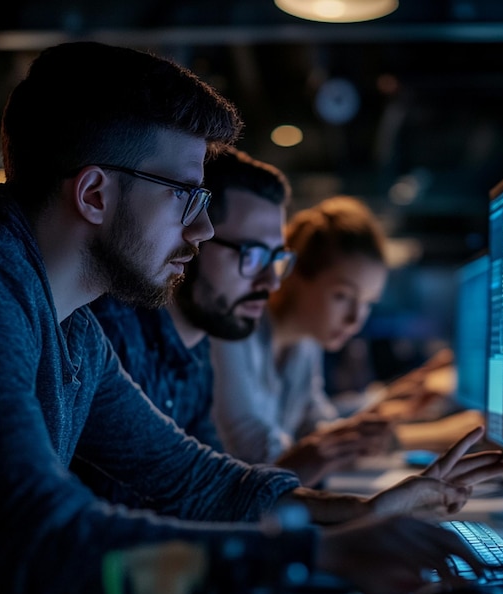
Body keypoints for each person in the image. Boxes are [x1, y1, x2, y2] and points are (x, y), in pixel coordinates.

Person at [0, 40, 503, 594]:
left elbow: (195, 481)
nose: (204, 229)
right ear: (93, 195)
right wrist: (314, 555)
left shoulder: (75, 330)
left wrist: (365, 509)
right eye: (186, 197)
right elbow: (36, 542)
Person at [89, 148, 393, 490]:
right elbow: (186, 496)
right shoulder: (109, 333)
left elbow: (205, 491)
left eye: (276, 258)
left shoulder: (196, 356)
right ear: (193, 237)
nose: (271, 283)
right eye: (253, 254)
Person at [209, 196, 483, 474]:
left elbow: (316, 426)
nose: (355, 319)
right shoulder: (234, 329)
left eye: (367, 303)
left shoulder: (305, 343)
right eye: (342, 296)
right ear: (294, 274)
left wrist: (396, 400)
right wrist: (422, 435)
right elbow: (261, 457)